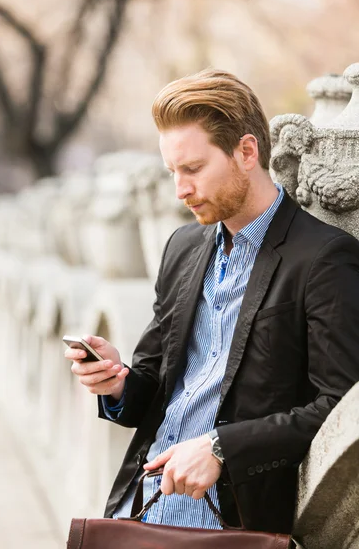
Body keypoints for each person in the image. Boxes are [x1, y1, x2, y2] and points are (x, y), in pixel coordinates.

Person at [65, 69, 359, 534]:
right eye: (172, 172)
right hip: (139, 513)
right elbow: (153, 384)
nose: (180, 190)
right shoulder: (182, 247)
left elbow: (340, 406)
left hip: (231, 526)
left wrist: (223, 448)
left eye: (193, 169)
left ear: (247, 151)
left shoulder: (322, 257)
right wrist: (116, 382)